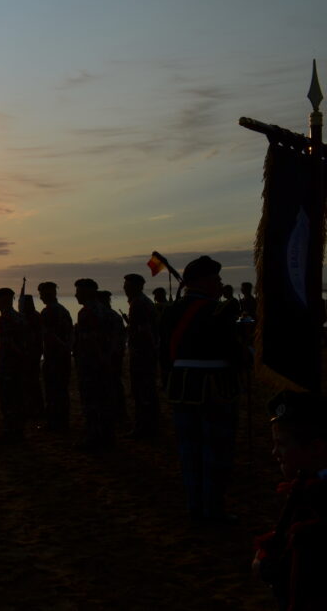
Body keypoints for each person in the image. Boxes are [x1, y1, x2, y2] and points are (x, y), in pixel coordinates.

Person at [159, 256, 245, 522]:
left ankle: (195, 507)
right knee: (216, 451)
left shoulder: (171, 310)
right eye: (216, 279)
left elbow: (164, 352)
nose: (220, 284)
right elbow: (232, 351)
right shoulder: (221, 310)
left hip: (181, 387)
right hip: (215, 388)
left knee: (189, 452)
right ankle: (213, 510)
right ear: (204, 282)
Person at [253, 390, 327, 610]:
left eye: (282, 444)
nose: (274, 452)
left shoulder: (317, 500)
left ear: (316, 448)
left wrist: (265, 566)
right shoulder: (307, 486)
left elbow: (307, 575)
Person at [74, 279, 115, 451]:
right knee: (104, 401)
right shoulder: (105, 311)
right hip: (103, 362)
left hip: (91, 364)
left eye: (79, 292)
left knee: (91, 402)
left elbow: (90, 341)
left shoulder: (87, 312)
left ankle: (94, 437)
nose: (76, 295)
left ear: (88, 293)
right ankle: (106, 436)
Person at [123, 274, 160, 438]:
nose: (125, 289)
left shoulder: (138, 303)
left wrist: (144, 352)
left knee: (142, 392)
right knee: (147, 391)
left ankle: (144, 427)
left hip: (142, 354)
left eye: (128, 286)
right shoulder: (143, 302)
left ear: (137, 287)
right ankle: (148, 425)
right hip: (145, 353)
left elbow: (144, 331)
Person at [37, 282, 73, 432]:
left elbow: (49, 335)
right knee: (61, 391)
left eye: (42, 294)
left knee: (53, 392)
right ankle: (61, 422)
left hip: (54, 358)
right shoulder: (63, 310)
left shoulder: (49, 312)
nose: (41, 297)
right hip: (62, 358)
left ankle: (55, 423)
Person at [0, 287, 27, 444]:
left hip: (9, 365)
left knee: (8, 399)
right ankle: (18, 431)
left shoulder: (6, 318)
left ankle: (10, 432)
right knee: (18, 399)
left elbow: (9, 343)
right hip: (19, 364)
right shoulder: (20, 317)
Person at [98, 290, 127, 422]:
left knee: (111, 385)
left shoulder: (107, 316)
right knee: (114, 384)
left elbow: (116, 339)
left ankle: (118, 413)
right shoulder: (113, 315)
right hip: (113, 355)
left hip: (110, 356)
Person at [19, 293, 44, 420]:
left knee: (32, 383)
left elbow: (33, 337)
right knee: (28, 383)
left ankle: (36, 409)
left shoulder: (33, 317)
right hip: (29, 353)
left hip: (31, 354)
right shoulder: (30, 316)